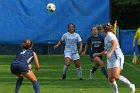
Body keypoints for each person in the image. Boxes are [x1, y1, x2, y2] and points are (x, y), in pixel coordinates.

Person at [93, 23, 135, 93]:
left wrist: (110, 52)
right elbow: (106, 50)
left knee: (116, 76)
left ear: (104, 29)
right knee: (110, 78)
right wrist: (97, 54)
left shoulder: (110, 34)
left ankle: (131, 85)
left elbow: (115, 43)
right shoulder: (105, 38)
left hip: (117, 57)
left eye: (101, 29)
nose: (100, 31)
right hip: (110, 59)